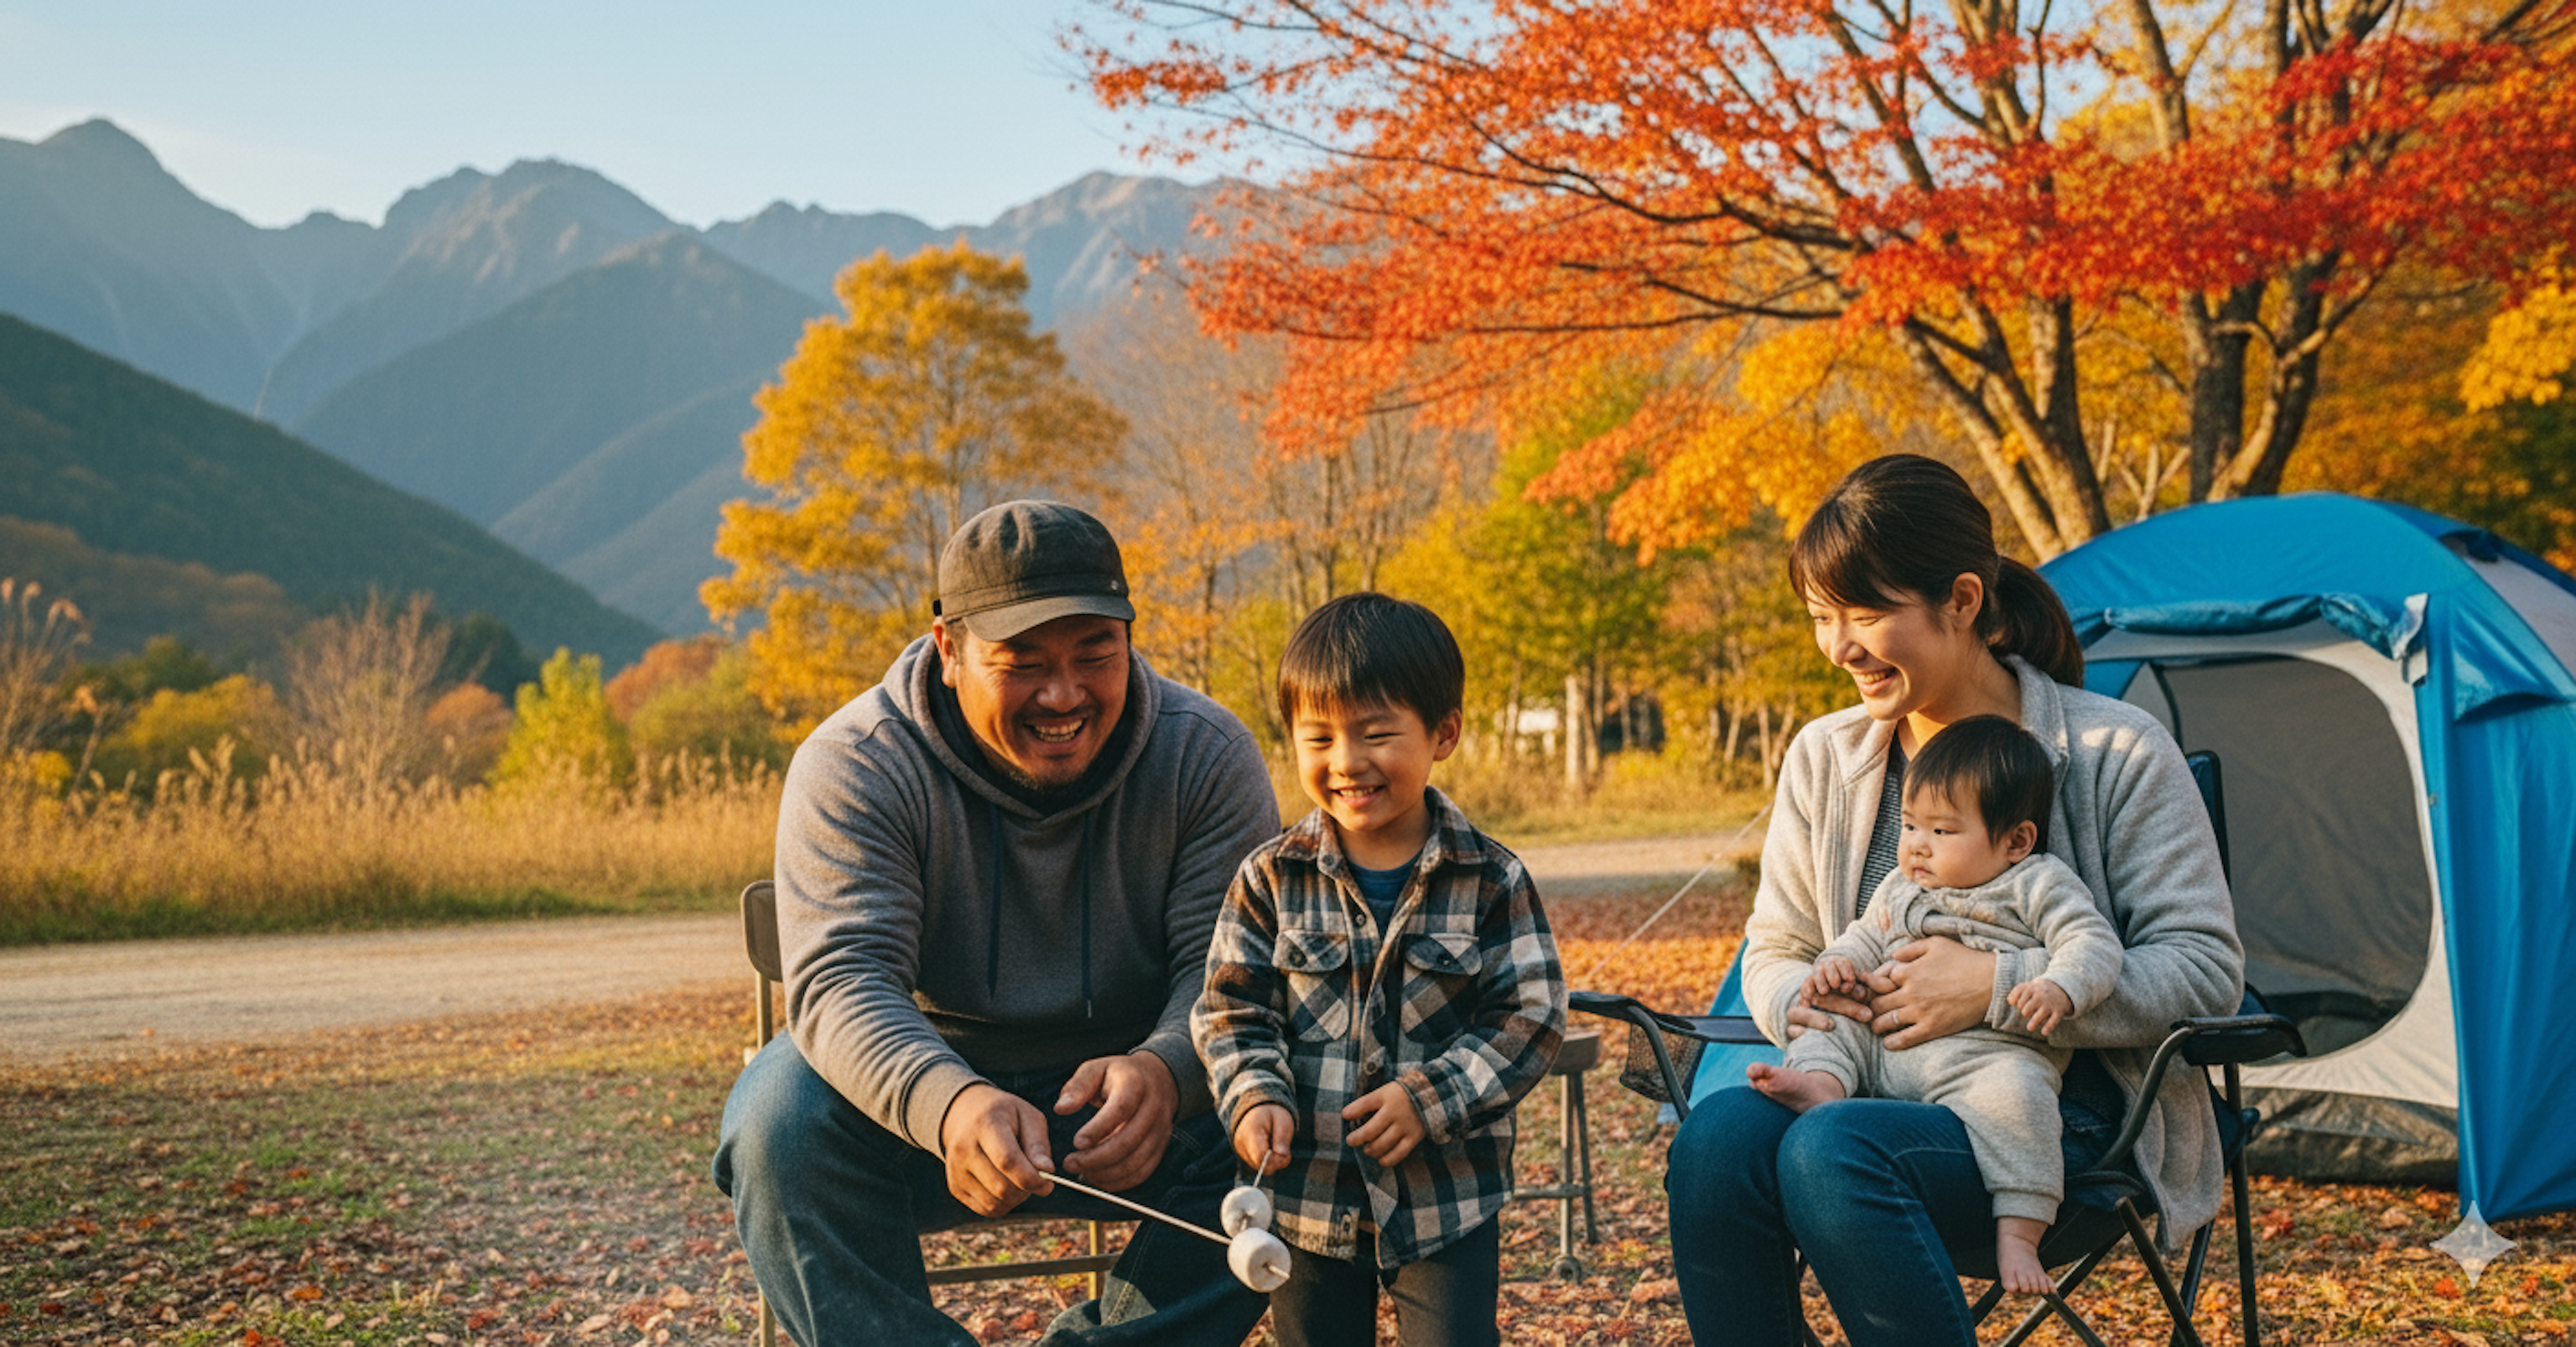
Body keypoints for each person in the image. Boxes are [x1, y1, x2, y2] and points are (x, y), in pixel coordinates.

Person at [1665, 453, 2243, 1346]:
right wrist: (1815, 992)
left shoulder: (2115, 752)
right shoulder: (1825, 756)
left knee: (1832, 1150)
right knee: (1713, 1145)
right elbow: (1775, 945)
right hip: (1863, 1077)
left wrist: (1993, 985)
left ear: (1963, 600)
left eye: (1866, 614)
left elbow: (2206, 972)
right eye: (1823, 617)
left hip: (2063, 1121)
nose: (1839, 646)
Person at [711, 501, 1280, 1347]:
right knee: (775, 1124)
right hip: (930, 1088)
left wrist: (1168, 1068)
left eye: (1096, 655)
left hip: (1137, 1097)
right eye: (1022, 663)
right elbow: (841, 982)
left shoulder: (1205, 754)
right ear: (948, 649)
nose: (1064, 695)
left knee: (1291, 1101)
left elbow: (1229, 971)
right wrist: (949, 1102)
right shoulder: (860, 761)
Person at [1193, 592, 1566, 1347]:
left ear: (1444, 734)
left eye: (1376, 734)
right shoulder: (1270, 877)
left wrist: (1430, 1100)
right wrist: (1254, 1094)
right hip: (1307, 1197)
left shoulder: (1491, 879)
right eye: (1319, 737)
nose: (1346, 762)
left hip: (1445, 1201)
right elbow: (1232, 1011)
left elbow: (1531, 1017)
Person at [1745, 715, 2125, 1295]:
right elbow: (1864, 936)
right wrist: (1833, 967)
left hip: (1983, 1059)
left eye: (1943, 832)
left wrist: (2057, 986)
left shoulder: (2037, 884)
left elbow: (2092, 943)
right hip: (1883, 1051)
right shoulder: (1903, 887)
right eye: (1910, 824)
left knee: (2020, 1103)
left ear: (2016, 841)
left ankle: (2020, 1233)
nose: (1917, 845)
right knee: (1829, 1021)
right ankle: (1821, 1082)